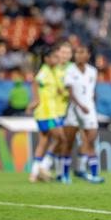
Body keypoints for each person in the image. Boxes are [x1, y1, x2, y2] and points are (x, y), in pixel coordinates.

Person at [25, 46, 68, 183]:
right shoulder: (43, 73)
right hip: (46, 113)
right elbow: (35, 85)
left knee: (43, 142)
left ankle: (33, 174)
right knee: (60, 138)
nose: (57, 59)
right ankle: (44, 166)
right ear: (46, 59)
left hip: (52, 112)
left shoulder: (54, 71)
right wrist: (34, 101)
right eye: (54, 57)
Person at [63, 45, 104, 184]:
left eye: (82, 52)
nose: (79, 55)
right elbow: (70, 93)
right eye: (77, 52)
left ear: (88, 55)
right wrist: (80, 106)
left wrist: (92, 104)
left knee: (91, 140)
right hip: (74, 110)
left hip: (89, 110)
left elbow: (91, 91)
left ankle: (93, 174)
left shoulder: (93, 71)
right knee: (69, 143)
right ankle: (65, 174)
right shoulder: (69, 70)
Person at [39, 41, 72, 181]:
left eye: (67, 53)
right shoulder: (53, 69)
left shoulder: (72, 69)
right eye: (62, 52)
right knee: (59, 139)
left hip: (68, 110)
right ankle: (44, 167)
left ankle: (58, 172)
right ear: (57, 53)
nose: (64, 56)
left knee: (64, 142)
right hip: (53, 111)